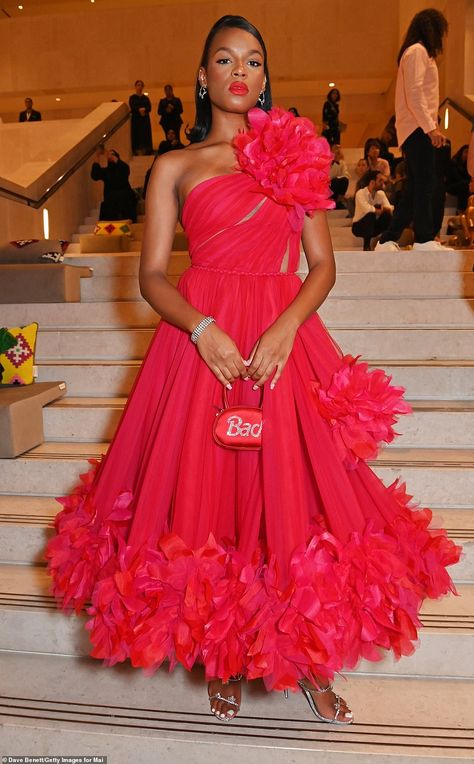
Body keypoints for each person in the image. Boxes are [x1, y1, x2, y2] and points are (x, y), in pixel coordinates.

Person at [44, 14, 461, 729]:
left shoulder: (295, 150)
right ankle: (223, 652)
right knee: (206, 502)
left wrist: (286, 328)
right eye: (226, 60)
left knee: (295, 498)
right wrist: (201, 330)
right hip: (198, 344)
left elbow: (322, 265)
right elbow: (149, 276)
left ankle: (307, 658)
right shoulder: (173, 168)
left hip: (279, 343)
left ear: (265, 77)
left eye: (255, 61)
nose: (242, 72)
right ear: (202, 76)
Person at [376, 9, 454, 252]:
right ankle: (423, 239)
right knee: (425, 184)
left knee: (416, 186)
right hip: (418, 129)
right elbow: (415, 93)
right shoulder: (417, 52)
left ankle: (388, 239)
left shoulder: (416, 53)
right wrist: (431, 129)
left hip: (417, 128)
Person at [90, 147, 137, 222]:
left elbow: (125, 170)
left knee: (128, 198)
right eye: (108, 155)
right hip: (111, 201)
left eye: (113, 154)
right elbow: (95, 174)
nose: (110, 156)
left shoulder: (123, 168)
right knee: (107, 205)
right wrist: (97, 155)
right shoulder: (106, 172)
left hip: (125, 199)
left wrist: (113, 157)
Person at [351, 170, 393, 250]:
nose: (382, 183)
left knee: (387, 215)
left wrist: (383, 210)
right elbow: (367, 209)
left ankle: (386, 242)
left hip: (373, 226)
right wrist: (379, 210)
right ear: (372, 182)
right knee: (370, 215)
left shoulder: (381, 193)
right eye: (380, 180)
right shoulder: (361, 193)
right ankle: (366, 246)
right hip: (359, 226)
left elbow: (389, 208)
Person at [129, 80, 153, 155]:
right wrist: (139, 110)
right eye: (138, 85)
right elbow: (132, 106)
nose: (139, 87)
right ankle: (137, 150)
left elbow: (149, 107)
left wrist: (144, 109)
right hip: (136, 120)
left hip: (144, 120)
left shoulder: (146, 98)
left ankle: (146, 150)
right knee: (137, 134)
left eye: (141, 85)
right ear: (135, 86)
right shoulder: (132, 97)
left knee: (145, 134)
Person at [446, 144, 471, 213]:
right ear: (461, 152)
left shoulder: (467, 165)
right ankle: (460, 210)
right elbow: (456, 177)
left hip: (462, 185)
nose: (467, 155)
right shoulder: (453, 162)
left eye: (469, 153)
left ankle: (469, 210)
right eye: (465, 152)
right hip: (451, 186)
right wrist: (468, 183)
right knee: (464, 185)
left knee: (466, 186)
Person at [329, 144, 349, 209]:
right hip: (328, 186)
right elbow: (329, 177)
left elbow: (346, 175)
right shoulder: (327, 161)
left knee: (344, 180)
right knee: (335, 181)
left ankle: (338, 201)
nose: (338, 150)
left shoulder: (342, 162)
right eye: (336, 148)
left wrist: (338, 178)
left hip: (337, 187)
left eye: (339, 148)